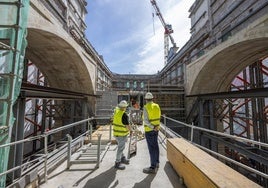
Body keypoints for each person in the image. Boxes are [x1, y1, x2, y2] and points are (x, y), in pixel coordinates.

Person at [142, 92, 161, 174]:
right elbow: (159, 116)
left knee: (151, 149)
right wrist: (155, 127)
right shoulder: (157, 106)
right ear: (152, 98)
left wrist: (152, 127)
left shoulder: (146, 107)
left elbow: (145, 121)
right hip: (156, 129)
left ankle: (152, 167)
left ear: (146, 99)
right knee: (156, 146)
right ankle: (157, 163)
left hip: (150, 130)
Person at [112, 100, 132, 170]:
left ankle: (122, 158)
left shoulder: (116, 111)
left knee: (121, 146)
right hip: (121, 134)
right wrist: (131, 130)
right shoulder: (124, 115)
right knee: (121, 148)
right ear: (124, 107)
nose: (126, 108)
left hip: (116, 133)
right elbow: (127, 126)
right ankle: (117, 163)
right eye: (126, 107)